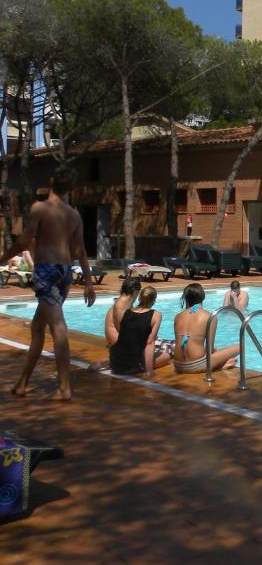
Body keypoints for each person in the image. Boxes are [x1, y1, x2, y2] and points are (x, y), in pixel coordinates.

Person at [2, 166, 96, 400]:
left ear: (51, 180)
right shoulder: (74, 214)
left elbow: (24, 241)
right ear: (70, 188)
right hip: (65, 272)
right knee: (37, 328)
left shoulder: (40, 208)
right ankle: (22, 384)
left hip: (46, 270)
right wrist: (88, 282)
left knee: (58, 326)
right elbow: (80, 250)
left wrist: (2, 258)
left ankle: (64, 387)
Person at [173, 283, 240, 373]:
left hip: (178, 365)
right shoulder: (209, 316)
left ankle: (221, 365)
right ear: (202, 297)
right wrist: (221, 356)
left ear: (186, 298)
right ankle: (221, 366)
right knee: (240, 346)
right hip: (197, 365)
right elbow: (210, 349)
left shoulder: (178, 316)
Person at [108, 286, 170, 377]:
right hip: (133, 364)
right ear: (153, 300)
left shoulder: (127, 312)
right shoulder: (156, 315)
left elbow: (124, 338)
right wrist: (149, 370)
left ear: (139, 298)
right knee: (166, 356)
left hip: (116, 362)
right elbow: (150, 342)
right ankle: (140, 366)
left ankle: (107, 362)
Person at [88, 278, 142, 372]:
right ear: (135, 292)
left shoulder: (124, 302)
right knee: (162, 355)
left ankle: (117, 361)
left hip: (119, 344)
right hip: (119, 345)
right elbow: (123, 330)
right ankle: (113, 361)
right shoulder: (122, 303)